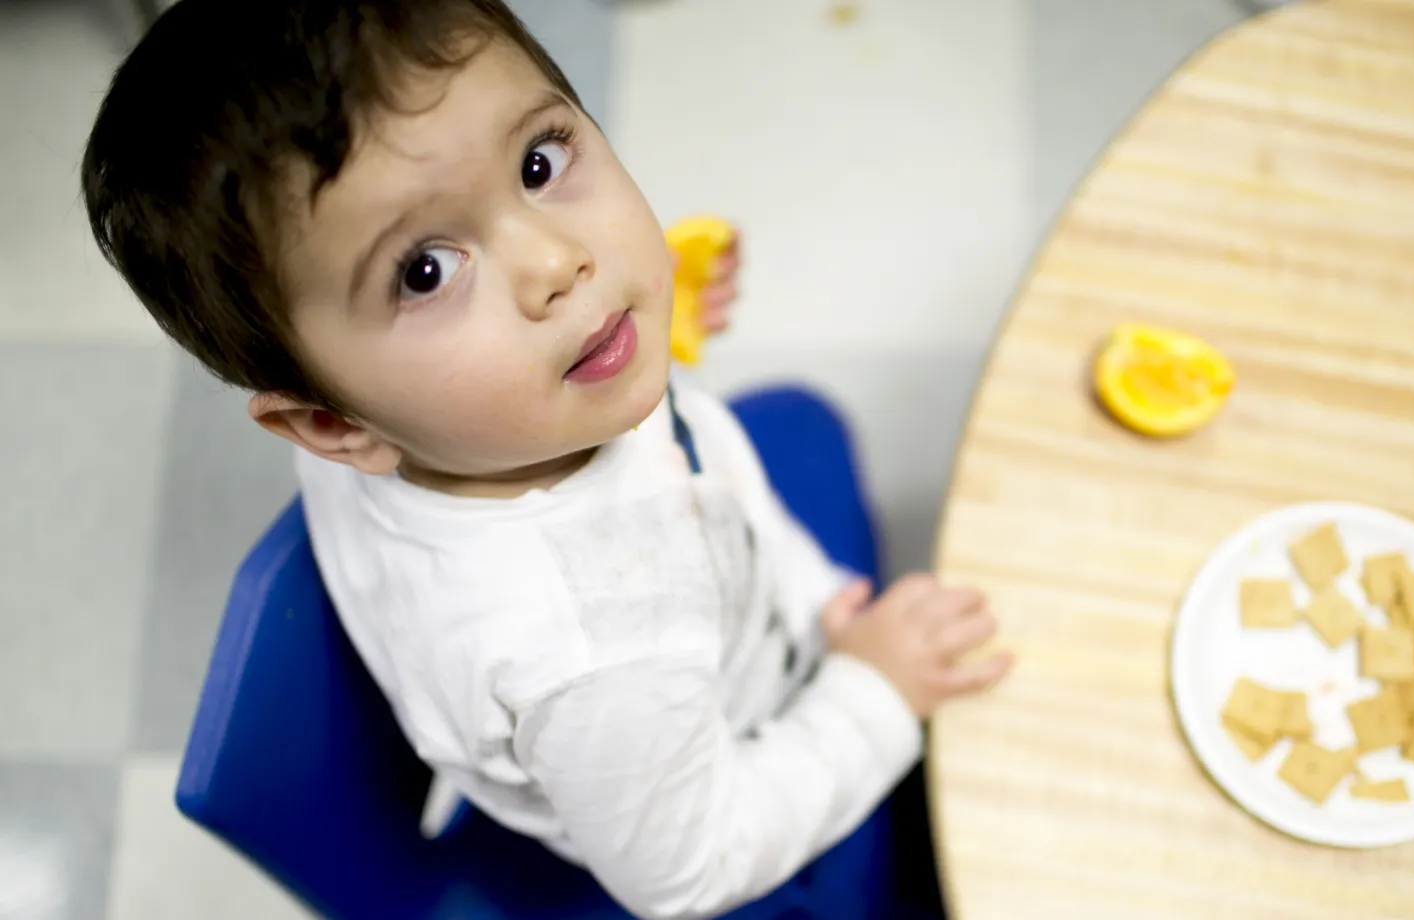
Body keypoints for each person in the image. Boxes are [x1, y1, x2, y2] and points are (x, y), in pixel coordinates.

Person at [80, 2, 1012, 918]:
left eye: (539, 163)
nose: (560, 263)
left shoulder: (412, 414)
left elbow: (503, 329)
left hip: (702, 627)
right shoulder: (597, 653)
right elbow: (694, 873)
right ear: (331, 426)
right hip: (726, 807)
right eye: (427, 271)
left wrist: (650, 310)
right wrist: (877, 694)